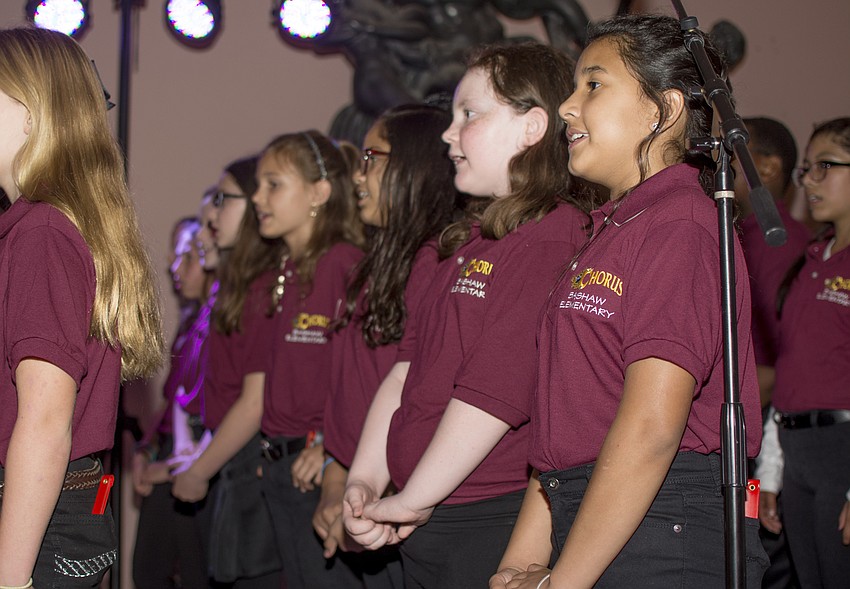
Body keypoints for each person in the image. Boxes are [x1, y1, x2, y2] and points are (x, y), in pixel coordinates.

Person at [491, 15, 768, 588]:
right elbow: (565, 426)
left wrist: (563, 582)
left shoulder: (681, 223)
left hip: (663, 527)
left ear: (661, 111)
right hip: (598, 514)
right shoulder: (613, 230)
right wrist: (517, 565)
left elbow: (651, 427)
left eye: (593, 84)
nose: (568, 107)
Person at [342, 43, 591, 588]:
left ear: (531, 127)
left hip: (484, 516)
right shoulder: (459, 242)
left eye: (469, 115)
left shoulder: (553, 236)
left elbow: (492, 396)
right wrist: (364, 480)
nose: (448, 134)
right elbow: (405, 373)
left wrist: (412, 498)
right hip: (426, 509)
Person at [0, 27, 163, 588]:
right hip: (57, 511)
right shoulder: (46, 224)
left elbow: (45, 421)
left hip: (32, 522)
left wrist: (10, 578)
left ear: (34, 111)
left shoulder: (43, 230)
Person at [317, 104, 462, 587]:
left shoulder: (439, 263)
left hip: (406, 500)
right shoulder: (383, 262)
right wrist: (335, 465)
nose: (358, 175)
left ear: (414, 168)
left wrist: (355, 482)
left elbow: (416, 398)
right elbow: (352, 387)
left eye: (371, 157)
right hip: (366, 487)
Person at [253, 130, 365, 588]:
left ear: (319, 192)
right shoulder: (284, 269)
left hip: (320, 469)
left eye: (273, 184)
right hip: (282, 466)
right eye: (258, 185)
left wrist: (327, 448)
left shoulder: (346, 265)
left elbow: (364, 379)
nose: (259, 197)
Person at [171, 157, 284, 587]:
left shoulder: (260, 287)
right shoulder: (238, 287)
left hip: (246, 464)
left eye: (222, 200)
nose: (213, 215)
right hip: (225, 459)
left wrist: (199, 469)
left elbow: (253, 401)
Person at [757, 117, 850, 589]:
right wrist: (770, 473)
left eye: (826, 167)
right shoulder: (810, 260)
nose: (810, 180)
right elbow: (791, 372)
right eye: (806, 170)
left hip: (840, 452)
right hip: (795, 449)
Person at [733, 116, 808, 589]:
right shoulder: (735, 234)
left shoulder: (789, 245)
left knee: (757, 534)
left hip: (763, 438)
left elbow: (788, 363)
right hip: (739, 421)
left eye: (737, 155)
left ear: (768, 167)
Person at [132, 216, 212, 589]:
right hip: (168, 455)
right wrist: (146, 450)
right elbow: (170, 402)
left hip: (192, 460)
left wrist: (167, 467)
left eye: (186, 258)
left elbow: (218, 412)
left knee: (193, 572)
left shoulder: (219, 326)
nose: (174, 268)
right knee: (147, 570)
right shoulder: (189, 323)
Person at [733, 116, 810, 407]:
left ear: (766, 168)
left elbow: (778, 366)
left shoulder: (781, 243)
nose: (719, 166)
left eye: (732, 154)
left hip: (762, 414)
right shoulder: (742, 236)